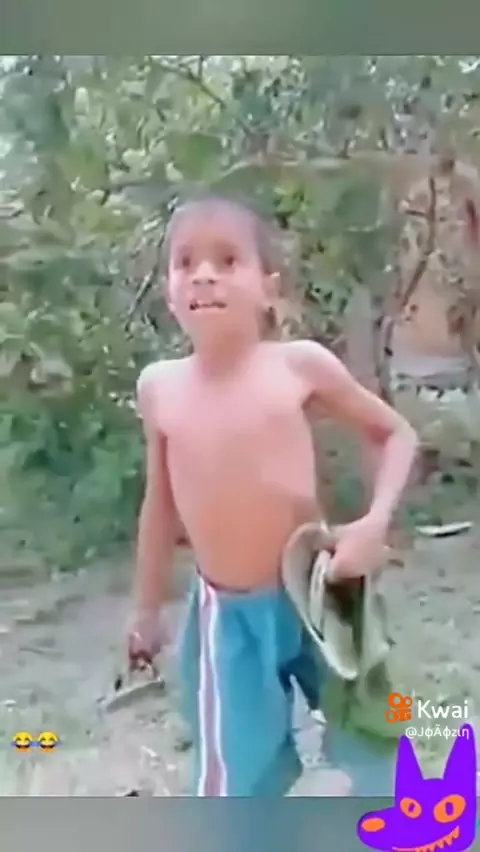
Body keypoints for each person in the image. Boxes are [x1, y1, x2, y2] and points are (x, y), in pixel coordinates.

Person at [127, 195, 418, 797]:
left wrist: (373, 523)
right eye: (185, 262)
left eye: (228, 260)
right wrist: (146, 610)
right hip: (227, 619)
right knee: (236, 773)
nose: (203, 274)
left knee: (373, 736)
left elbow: (395, 434)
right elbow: (159, 507)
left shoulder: (297, 366)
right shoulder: (160, 389)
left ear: (269, 289)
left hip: (321, 594)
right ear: (169, 293)